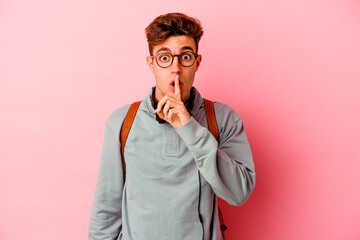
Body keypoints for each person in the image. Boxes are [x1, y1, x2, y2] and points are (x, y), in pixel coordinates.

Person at [89, 12, 256, 240]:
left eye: (185, 57)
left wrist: (188, 126)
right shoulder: (121, 122)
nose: (175, 68)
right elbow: (105, 212)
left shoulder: (224, 118)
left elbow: (239, 193)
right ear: (151, 64)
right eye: (165, 58)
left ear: (197, 62)